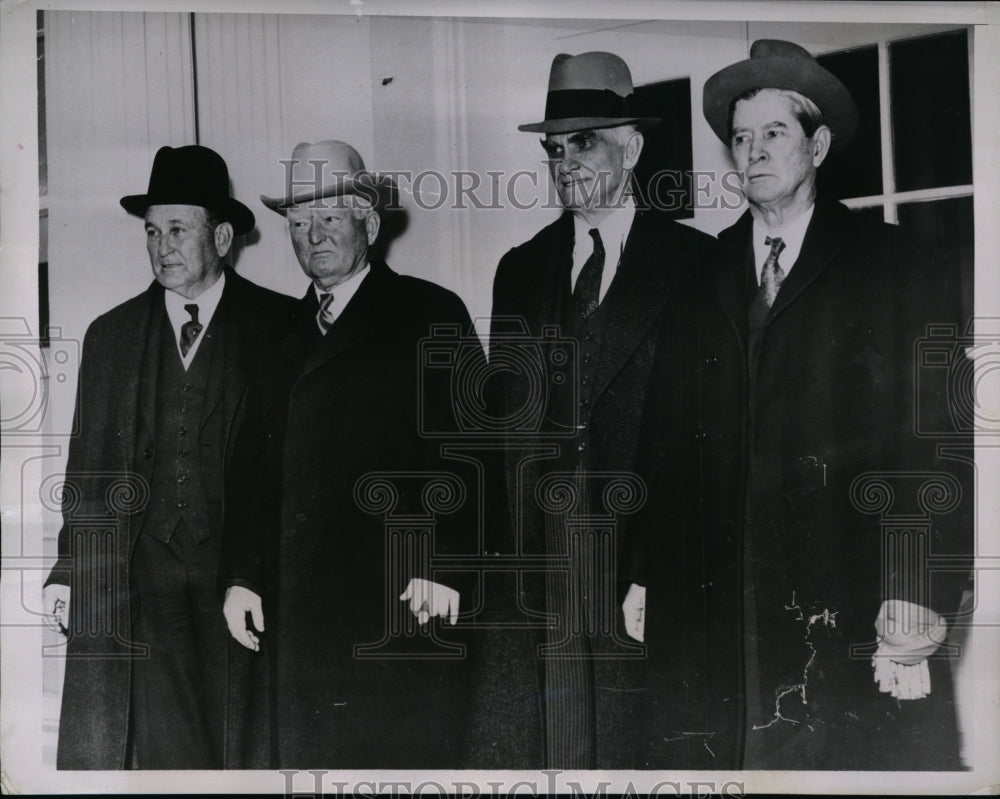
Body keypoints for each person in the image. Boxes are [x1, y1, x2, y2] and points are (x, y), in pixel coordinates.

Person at [651, 38, 970, 769]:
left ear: (819, 144)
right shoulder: (700, 275)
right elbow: (665, 434)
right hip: (727, 602)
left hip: (851, 593)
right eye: (740, 137)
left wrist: (918, 586)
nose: (752, 151)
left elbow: (935, 437)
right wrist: (644, 572)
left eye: (774, 133)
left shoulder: (895, 265)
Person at [465, 52, 717, 770]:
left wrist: (655, 570)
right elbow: (500, 431)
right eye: (554, 148)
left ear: (632, 146)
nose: (565, 162)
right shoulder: (520, 267)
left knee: (628, 755)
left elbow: (700, 443)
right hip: (530, 578)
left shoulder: (697, 265)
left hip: (633, 568)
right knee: (533, 754)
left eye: (585, 142)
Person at [219, 140, 479, 768]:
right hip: (299, 607)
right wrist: (243, 577)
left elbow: (471, 454)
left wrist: (444, 565)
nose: (313, 236)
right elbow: (252, 468)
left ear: (368, 219)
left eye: (329, 218)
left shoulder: (428, 311)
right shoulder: (278, 332)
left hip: (400, 593)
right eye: (300, 223)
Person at [41, 145, 297, 769]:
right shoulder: (113, 335)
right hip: (143, 576)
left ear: (225, 236)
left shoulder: (280, 327)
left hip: (240, 579)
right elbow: (89, 468)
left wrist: (256, 572)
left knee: (248, 745)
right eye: (153, 232)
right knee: (165, 756)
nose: (163, 247)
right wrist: (69, 570)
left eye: (179, 230)